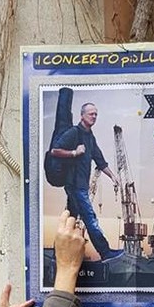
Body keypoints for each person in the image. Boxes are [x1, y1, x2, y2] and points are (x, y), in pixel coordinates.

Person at [51, 102, 124, 262]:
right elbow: (55, 151)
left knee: (70, 220)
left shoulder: (90, 137)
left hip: (81, 185)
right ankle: (105, 252)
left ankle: (56, 255)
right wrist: (73, 152)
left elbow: (100, 160)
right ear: (82, 115)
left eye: (96, 114)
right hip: (75, 184)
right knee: (90, 218)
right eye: (91, 114)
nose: (94, 117)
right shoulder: (73, 133)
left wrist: (112, 176)